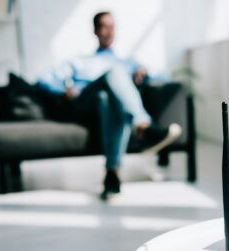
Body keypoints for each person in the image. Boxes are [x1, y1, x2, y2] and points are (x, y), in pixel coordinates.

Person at [36, 11, 181, 200]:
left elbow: (164, 76)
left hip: (106, 107)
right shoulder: (79, 61)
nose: (108, 32)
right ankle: (143, 126)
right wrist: (63, 90)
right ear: (95, 31)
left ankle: (112, 174)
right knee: (112, 74)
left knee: (107, 98)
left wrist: (145, 73)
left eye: (111, 27)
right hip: (84, 104)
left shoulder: (127, 62)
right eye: (103, 27)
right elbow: (43, 80)